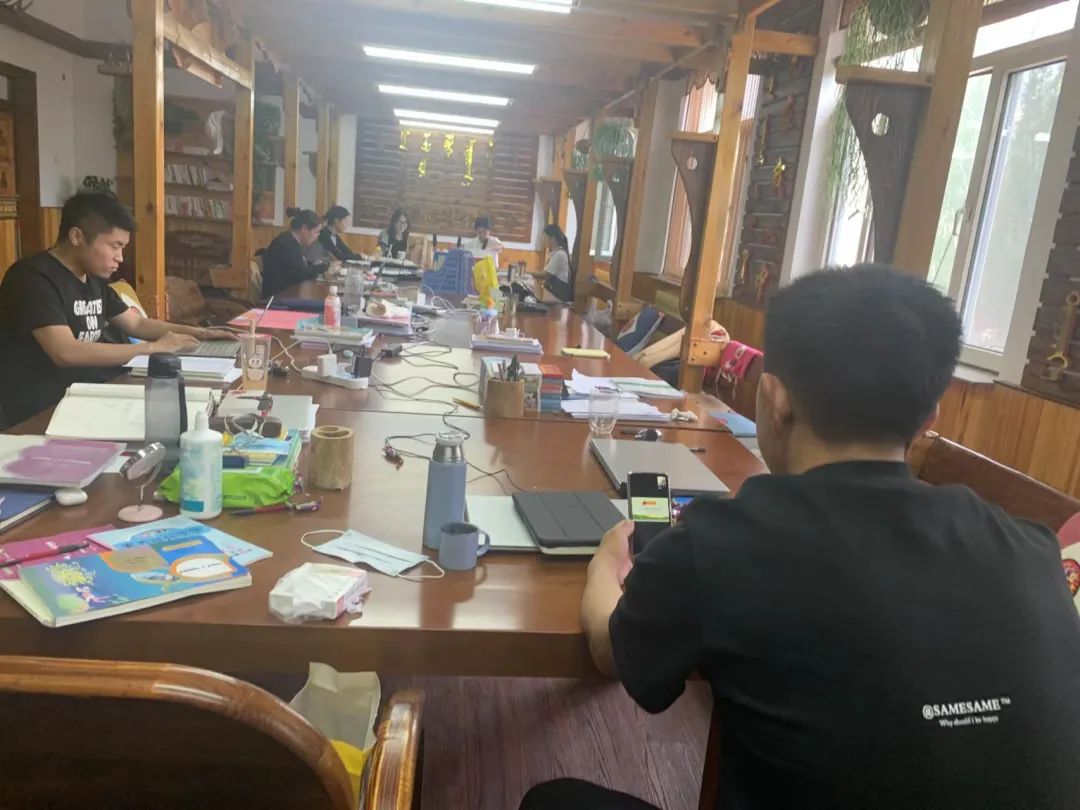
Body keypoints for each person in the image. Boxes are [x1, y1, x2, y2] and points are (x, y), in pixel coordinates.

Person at [522, 265, 1080, 810]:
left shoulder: (722, 542)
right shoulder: (1032, 552)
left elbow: (611, 650)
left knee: (551, 801)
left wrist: (605, 561)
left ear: (775, 397)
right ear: (928, 417)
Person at [0, 192, 234, 426]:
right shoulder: (33, 279)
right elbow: (65, 352)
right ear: (76, 236)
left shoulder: (92, 277)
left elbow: (136, 323)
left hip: (87, 395)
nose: (120, 258)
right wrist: (153, 348)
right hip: (40, 411)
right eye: (115, 246)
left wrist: (200, 333)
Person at [260, 207, 326, 298]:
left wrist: (319, 266)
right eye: (316, 232)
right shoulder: (286, 243)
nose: (317, 237)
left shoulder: (290, 240)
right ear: (304, 229)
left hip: (288, 294)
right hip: (278, 298)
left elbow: (299, 268)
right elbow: (301, 274)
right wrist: (324, 268)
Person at [540, 223, 572, 302]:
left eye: (544, 236)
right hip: (554, 294)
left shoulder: (559, 254)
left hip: (558, 298)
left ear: (552, 238)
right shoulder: (555, 253)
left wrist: (525, 272)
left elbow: (545, 275)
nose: (542, 238)